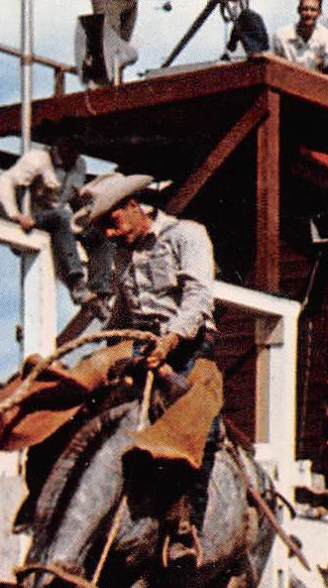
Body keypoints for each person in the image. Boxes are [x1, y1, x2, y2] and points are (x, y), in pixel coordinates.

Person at [74, 172, 222, 567]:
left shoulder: (186, 235)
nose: (109, 232)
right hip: (141, 345)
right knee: (87, 409)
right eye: (102, 226)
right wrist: (103, 352)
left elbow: (198, 298)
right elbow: (122, 315)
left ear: (133, 205)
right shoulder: (122, 253)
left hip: (188, 344)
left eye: (112, 221)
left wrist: (170, 340)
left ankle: (188, 528)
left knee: (197, 423)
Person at [0, 137, 94, 305]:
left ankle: (99, 288)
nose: (72, 152)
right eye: (68, 146)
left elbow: (73, 200)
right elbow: (4, 182)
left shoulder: (80, 165)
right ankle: (77, 283)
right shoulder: (38, 159)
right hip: (34, 220)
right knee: (62, 217)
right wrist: (15, 215)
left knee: (92, 232)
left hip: (58, 224)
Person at [273, 0, 328, 76]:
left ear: (319, 13)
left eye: (313, 10)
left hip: (313, 83)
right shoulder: (281, 35)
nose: (308, 14)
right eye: (305, 9)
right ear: (298, 10)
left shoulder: (326, 35)